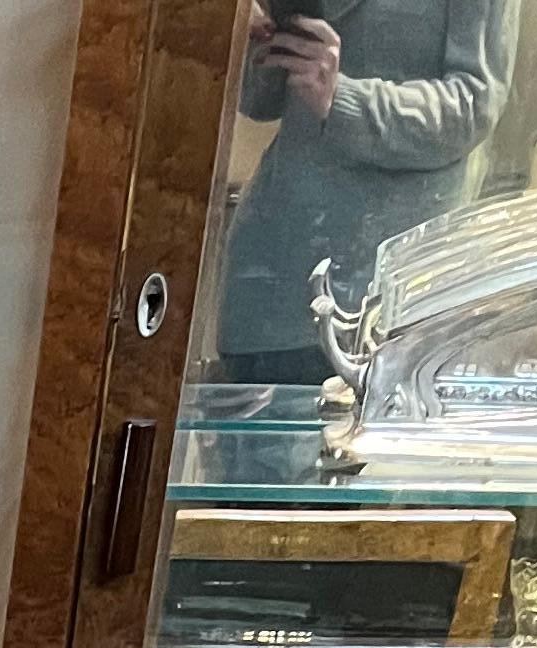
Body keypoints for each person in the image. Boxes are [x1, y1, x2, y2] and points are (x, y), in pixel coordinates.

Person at [216, 0, 519, 380]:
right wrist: (250, 40)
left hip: (385, 292)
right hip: (268, 273)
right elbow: (259, 101)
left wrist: (341, 98)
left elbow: (473, 106)